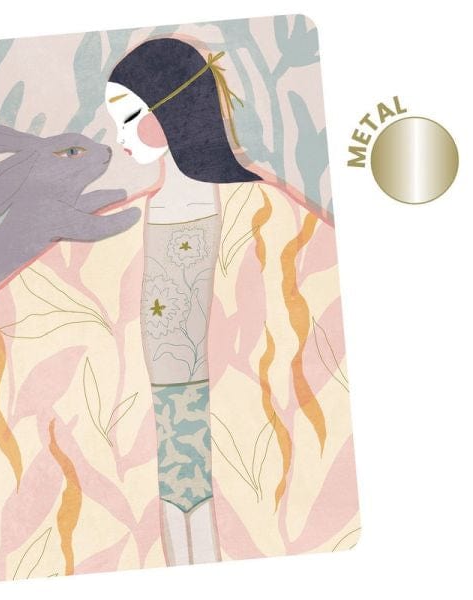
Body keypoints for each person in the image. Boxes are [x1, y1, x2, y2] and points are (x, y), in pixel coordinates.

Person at [104, 37, 266, 566]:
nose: (121, 137)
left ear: (174, 108)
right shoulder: (135, 213)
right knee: (176, 506)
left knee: (208, 510)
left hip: (214, 389)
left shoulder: (250, 206)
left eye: (131, 118)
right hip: (163, 394)